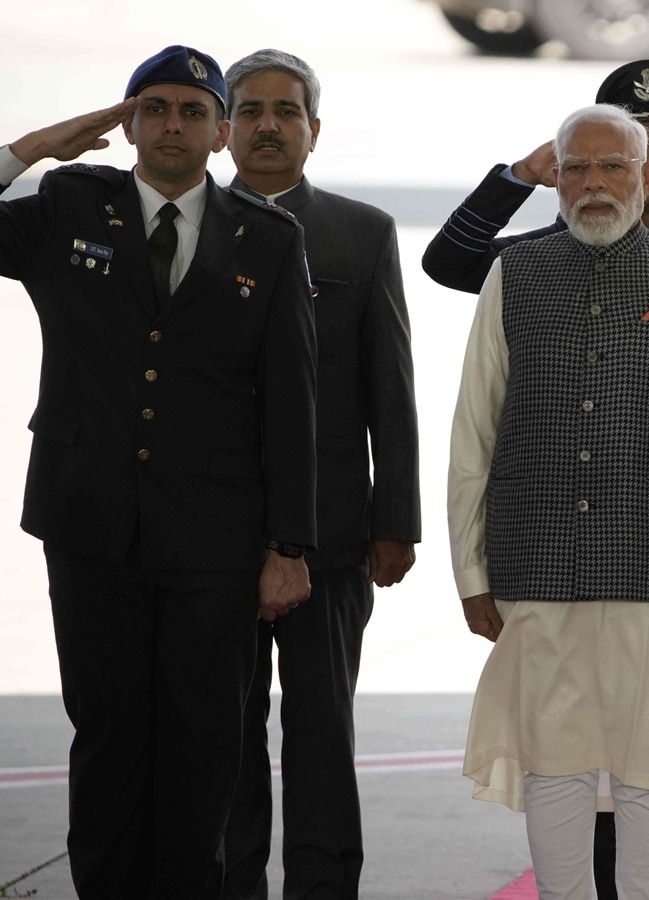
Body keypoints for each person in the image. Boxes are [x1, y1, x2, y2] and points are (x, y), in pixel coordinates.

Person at [423, 58, 649, 900]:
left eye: (615, 165)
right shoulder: (516, 272)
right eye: (576, 165)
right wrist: (471, 574)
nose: (595, 183)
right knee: (554, 769)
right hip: (536, 570)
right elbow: (472, 433)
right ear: (555, 174)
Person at [0, 46, 317, 896]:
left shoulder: (270, 238)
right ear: (129, 122)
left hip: (214, 541)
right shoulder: (70, 204)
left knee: (202, 745)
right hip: (88, 525)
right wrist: (32, 147)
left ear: (221, 132)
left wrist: (289, 544)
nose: (172, 124)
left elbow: (293, 405)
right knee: (105, 737)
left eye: (192, 110)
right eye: (155, 107)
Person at [217, 48, 422, 900]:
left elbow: (391, 383)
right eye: (251, 109)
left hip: (335, 533)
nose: (268, 125)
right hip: (212, 535)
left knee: (323, 732)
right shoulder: (189, 227)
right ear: (225, 127)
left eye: (286, 110)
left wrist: (395, 519)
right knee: (222, 737)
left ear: (313, 129)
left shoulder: (359, 231)